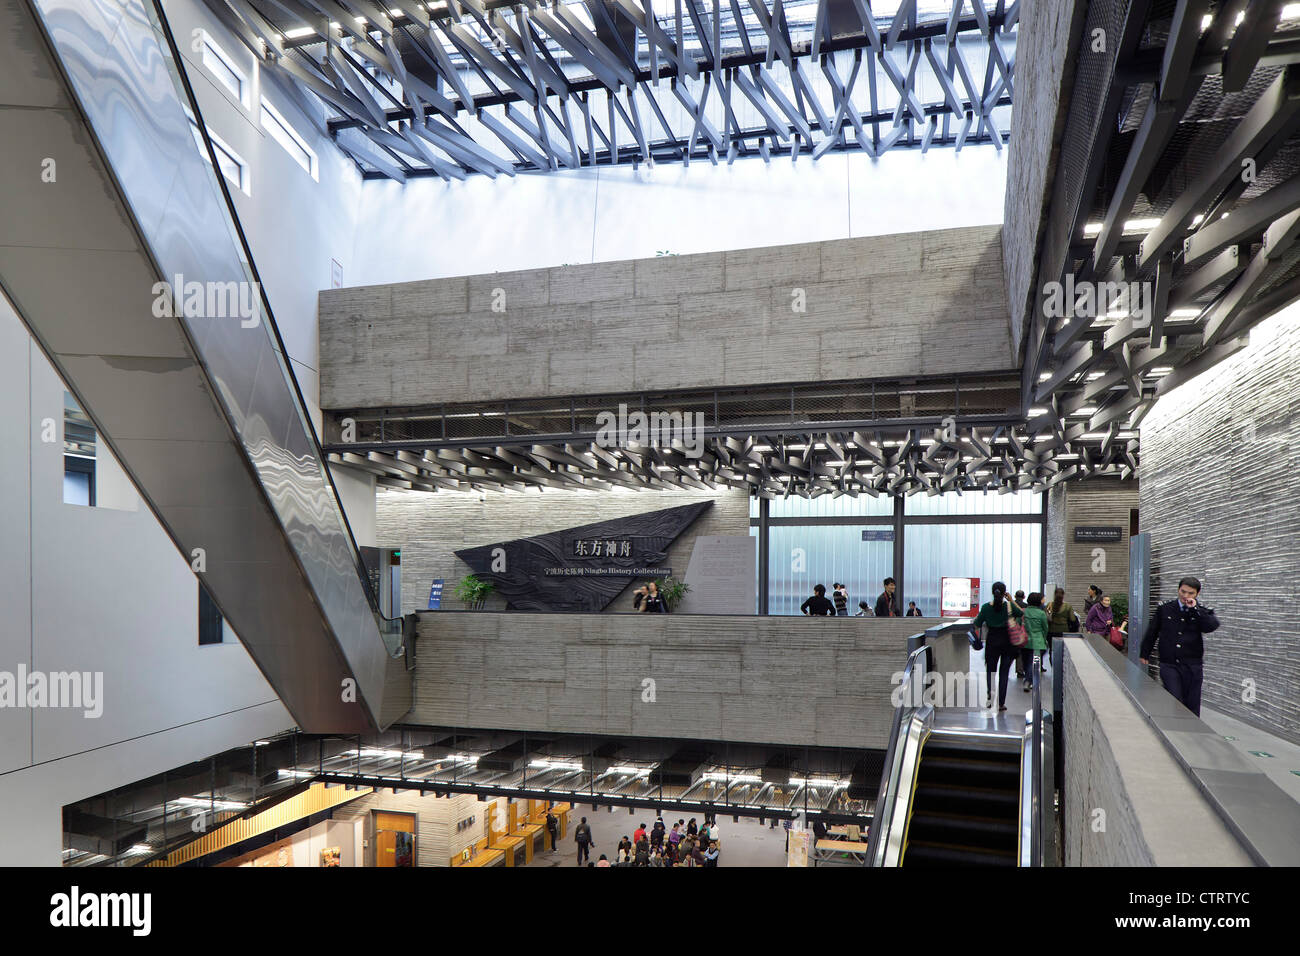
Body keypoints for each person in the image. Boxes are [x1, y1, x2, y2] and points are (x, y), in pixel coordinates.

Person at [1140, 576, 1220, 717]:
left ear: (1197, 594)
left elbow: (1210, 626)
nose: (1185, 596)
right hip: (1169, 663)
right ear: (1178, 590)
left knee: (1192, 704)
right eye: (1183, 592)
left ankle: (1192, 734)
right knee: (1175, 699)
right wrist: (1145, 652)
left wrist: (1195, 609)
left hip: (1192, 665)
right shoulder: (1165, 609)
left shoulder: (1201, 611)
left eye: (1190, 593)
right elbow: (1152, 631)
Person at [970, 581, 1016, 711]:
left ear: (992, 592)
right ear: (1004, 593)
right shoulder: (1008, 607)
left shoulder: (985, 607)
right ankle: (1001, 703)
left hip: (992, 642)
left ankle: (990, 700)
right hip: (1007, 643)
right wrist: (1011, 600)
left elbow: (977, 623)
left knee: (991, 672)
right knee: (1004, 673)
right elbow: (1020, 613)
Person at [1018, 592, 1050, 692]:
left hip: (1024, 641)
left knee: (1026, 661)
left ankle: (1028, 680)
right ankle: (1028, 681)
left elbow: (1019, 624)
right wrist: (1044, 639)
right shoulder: (1041, 613)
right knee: (1033, 663)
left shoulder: (1024, 612)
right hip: (1037, 642)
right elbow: (1045, 628)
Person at [1046, 588, 1077, 670]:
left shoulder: (1049, 605)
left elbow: (1046, 618)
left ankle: (1054, 668)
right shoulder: (1067, 606)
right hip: (1064, 630)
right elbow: (1073, 619)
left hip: (1051, 631)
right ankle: (1061, 668)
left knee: (1052, 650)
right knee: (1062, 650)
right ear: (1063, 595)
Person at [1012, 590, 1029, 679]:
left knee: (1010, 652)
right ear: (1024, 597)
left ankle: (1008, 669)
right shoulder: (1026, 606)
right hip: (1022, 631)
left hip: (1011, 630)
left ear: (1015, 596)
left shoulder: (1010, 605)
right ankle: (1020, 670)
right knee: (1021, 652)